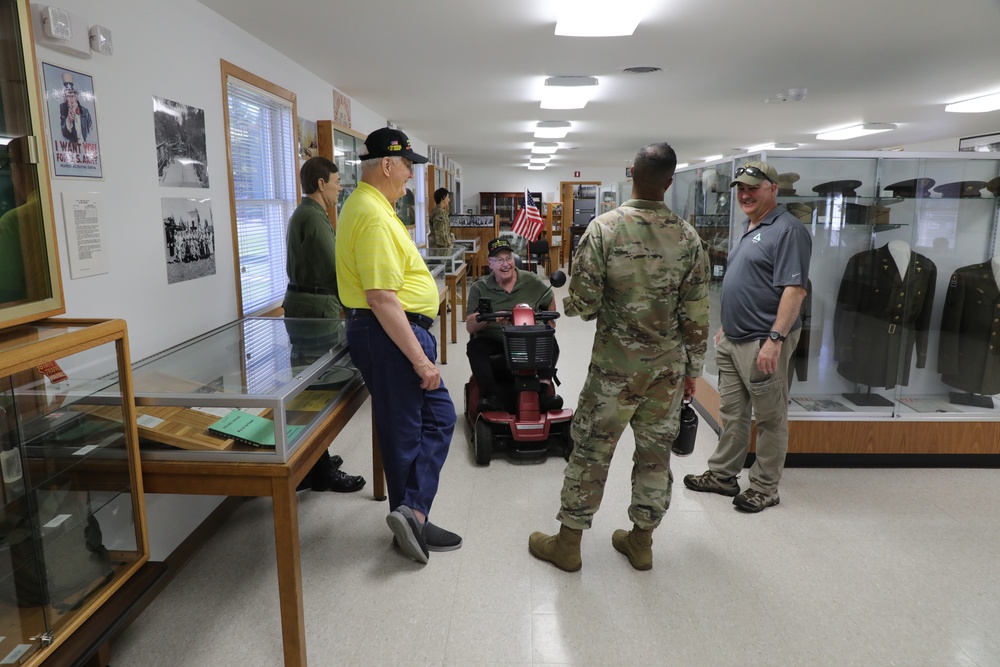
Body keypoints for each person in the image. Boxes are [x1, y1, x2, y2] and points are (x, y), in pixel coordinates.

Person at [528, 142, 709, 572]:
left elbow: (584, 305)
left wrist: (574, 302)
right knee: (654, 455)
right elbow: (697, 315)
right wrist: (693, 372)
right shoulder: (688, 237)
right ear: (669, 182)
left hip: (615, 368)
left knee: (591, 450)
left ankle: (568, 544)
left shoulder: (604, 229)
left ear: (631, 173)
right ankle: (641, 542)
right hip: (667, 370)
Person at [336, 127, 461, 564]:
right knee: (414, 428)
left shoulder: (376, 207)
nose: (410, 175)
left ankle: (412, 516)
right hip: (389, 332)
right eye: (408, 165)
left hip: (394, 329)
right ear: (387, 165)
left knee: (425, 422)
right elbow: (381, 298)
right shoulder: (370, 213)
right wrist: (423, 362)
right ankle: (412, 515)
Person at [683, 160, 811, 513]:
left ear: (773, 189)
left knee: (770, 417)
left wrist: (775, 338)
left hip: (763, 342)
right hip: (735, 337)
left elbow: (795, 290)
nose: (745, 194)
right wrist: (730, 324)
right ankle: (723, 475)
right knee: (733, 412)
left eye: (753, 188)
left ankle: (766, 487)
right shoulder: (751, 225)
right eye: (741, 188)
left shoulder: (788, 230)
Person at [283, 156, 366, 494]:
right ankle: (319, 471)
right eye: (335, 181)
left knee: (312, 392)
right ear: (321, 184)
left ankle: (317, 459)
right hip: (317, 311)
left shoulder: (309, 214)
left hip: (309, 305)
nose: (339, 187)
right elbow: (334, 271)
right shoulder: (313, 218)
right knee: (321, 394)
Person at [465, 237, 561, 413]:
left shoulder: (531, 280)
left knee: (551, 342)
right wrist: (488, 318)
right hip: (494, 339)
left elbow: (549, 296)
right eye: (499, 260)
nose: (505, 264)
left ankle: (542, 392)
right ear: (490, 263)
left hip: (527, 338)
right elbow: (470, 326)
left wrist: (550, 321)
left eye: (508, 258)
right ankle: (490, 397)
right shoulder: (479, 288)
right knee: (474, 348)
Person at [59, 73, 92, 144]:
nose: (71, 100)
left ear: (76, 96)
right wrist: (69, 121)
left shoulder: (85, 112)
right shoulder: (63, 109)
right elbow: (64, 133)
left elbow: (91, 131)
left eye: (72, 96)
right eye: (68, 96)